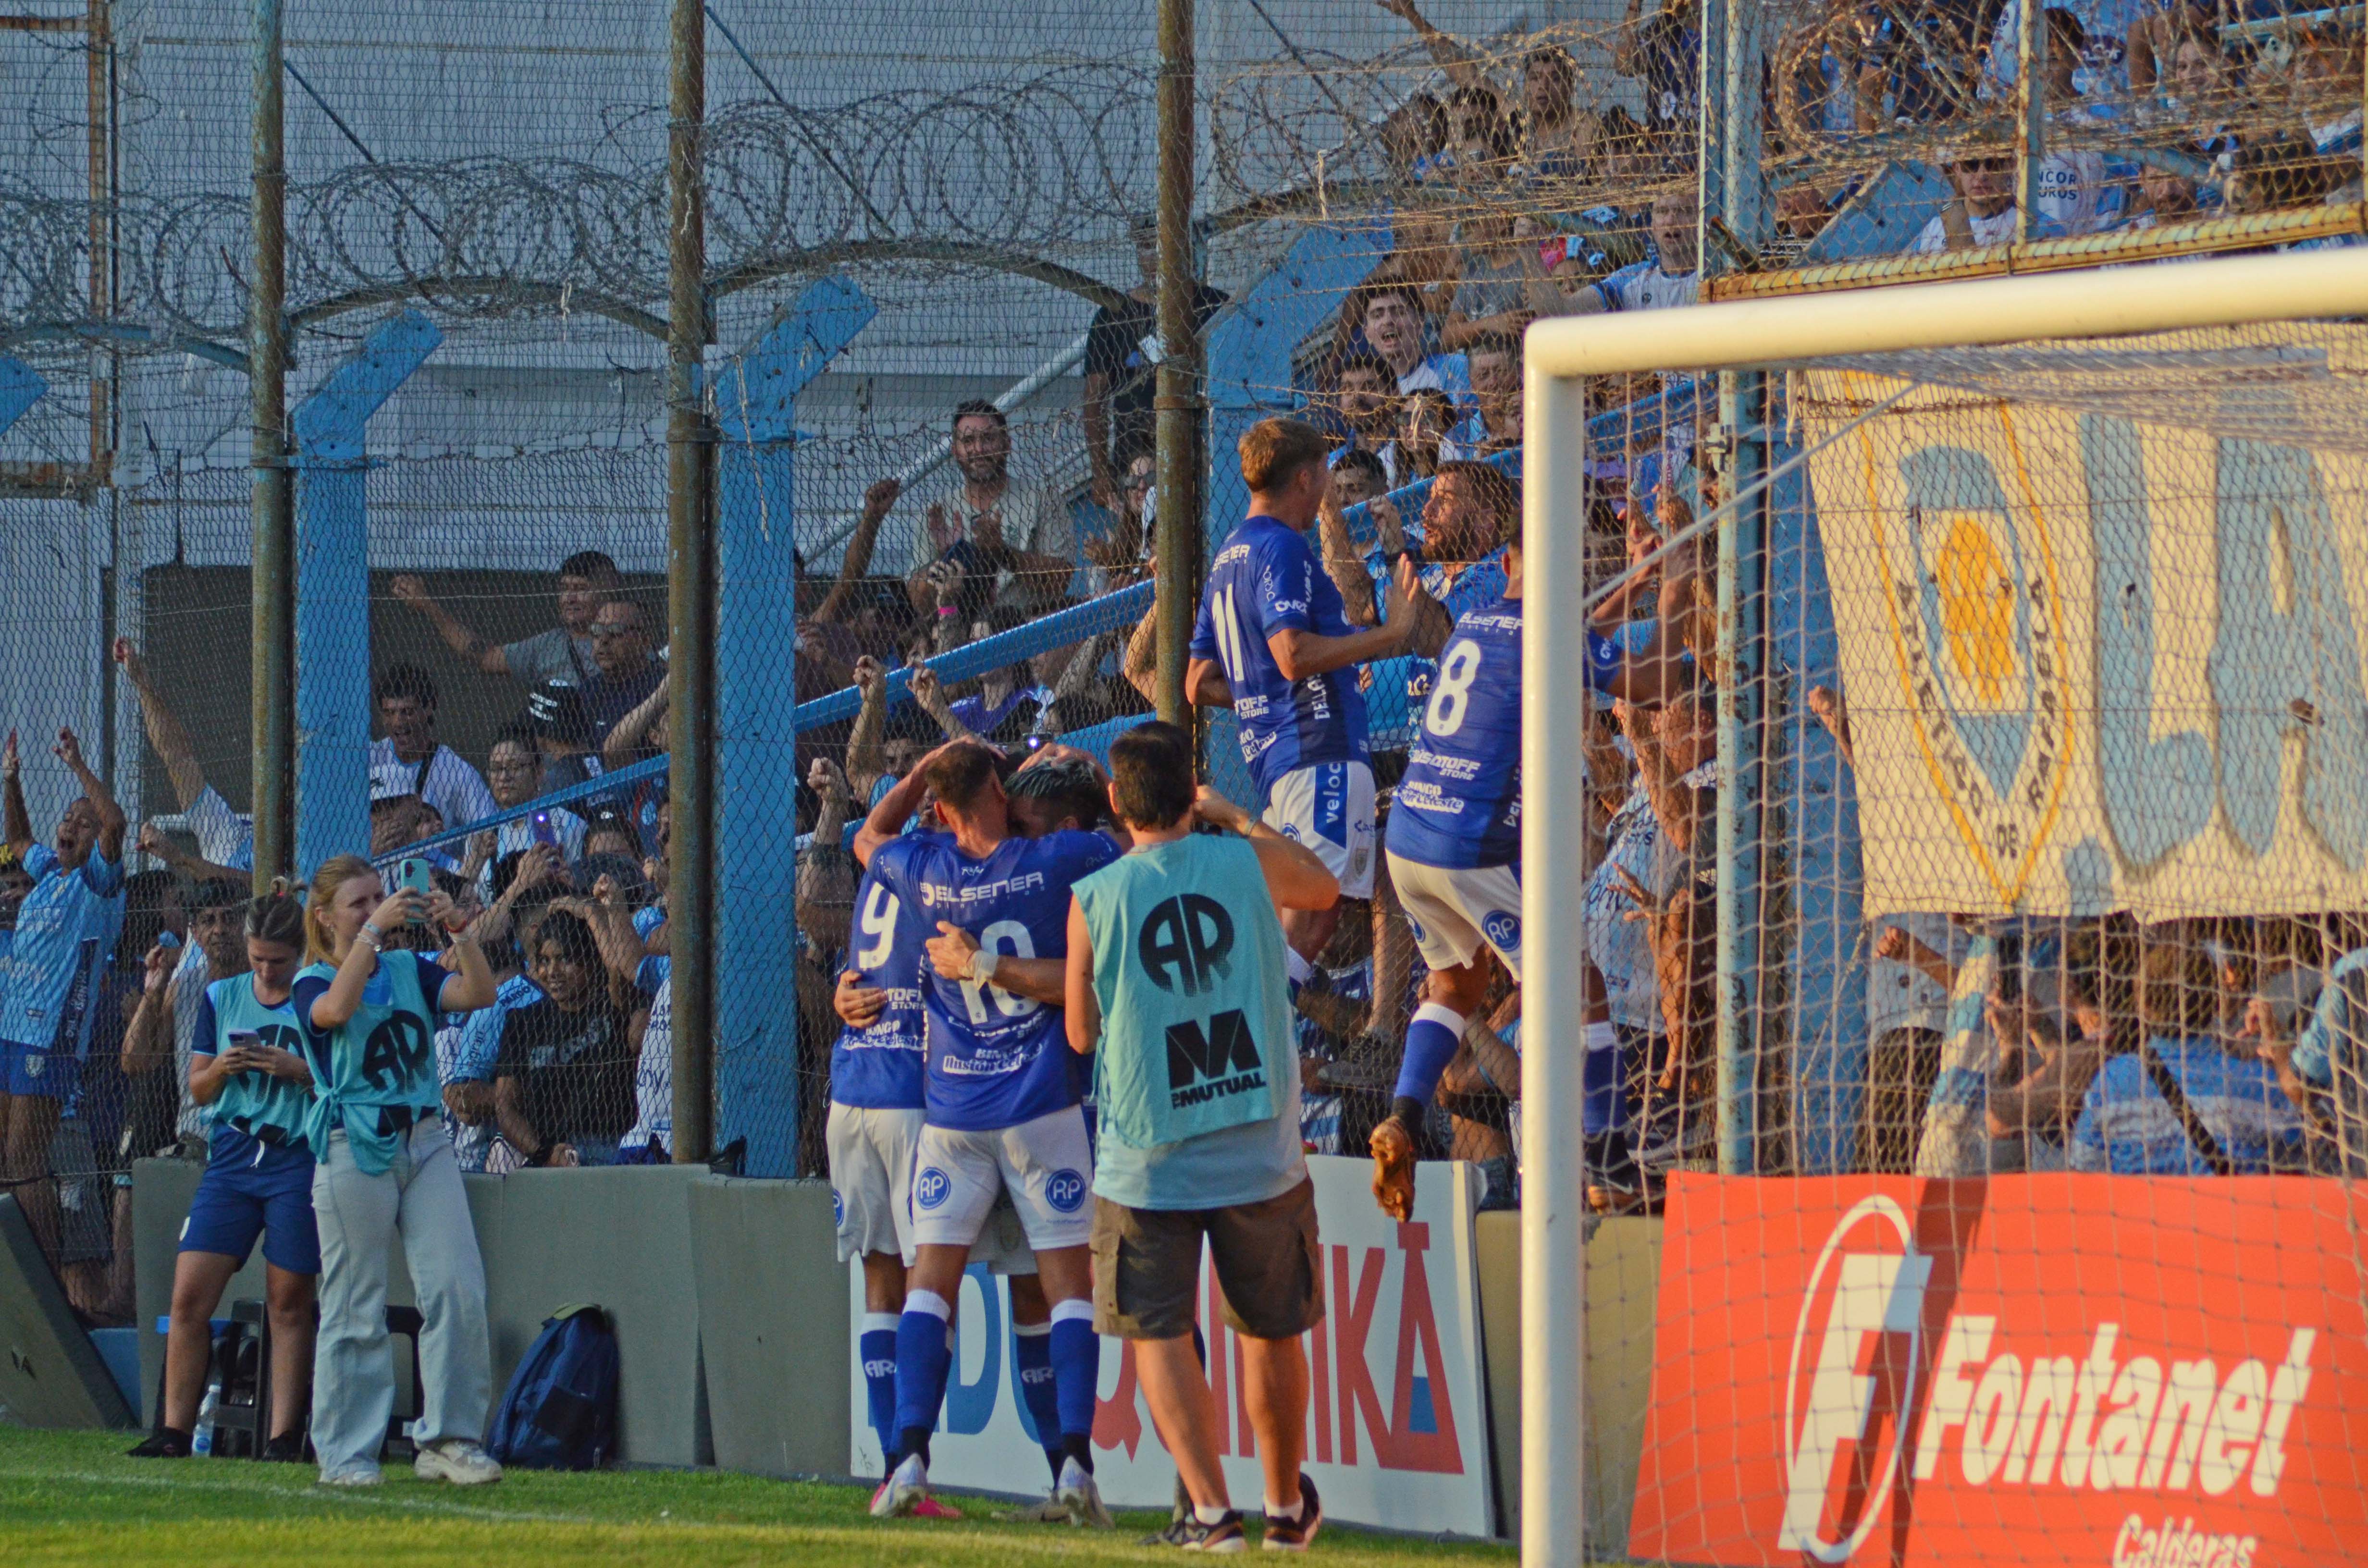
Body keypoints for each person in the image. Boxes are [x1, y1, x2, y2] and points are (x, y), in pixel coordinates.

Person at [1369, 482, 1693, 1219]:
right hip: (1472, 843)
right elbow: (1654, 682)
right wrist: (1675, 587)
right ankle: (1607, 1158)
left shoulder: (1479, 618)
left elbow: (1563, 647)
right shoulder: (1553, 636)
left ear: (1509, 560)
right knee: (1581, 985)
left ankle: (1406, 1117)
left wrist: (1636, 584)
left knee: (1456, 985)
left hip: (1409, 838)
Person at [1063, 723, 1337, 1549]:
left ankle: (1213, 1513)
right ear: (1193, 791)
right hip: (1257, 1142)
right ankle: (1284, 1507)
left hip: (1148, 1153)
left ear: (1117, 801)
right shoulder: (1244, 860)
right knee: (1268, 1328)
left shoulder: (1094, 896)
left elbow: (1079, 1033)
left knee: (1157, 1329)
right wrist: (1239, 816)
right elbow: (1323, 886)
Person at [855, 741, 1120, 1524]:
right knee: (1068, 1287)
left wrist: (916, 777)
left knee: (929, 1286)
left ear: (939, 808)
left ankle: (908, 1459)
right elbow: (1135, 830)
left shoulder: (923, 866)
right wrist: (1091, 770)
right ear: (1002, 789)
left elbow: (867, 837)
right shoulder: (1061, 856)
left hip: (954, 1113)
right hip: (1042, 1104)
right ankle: (1075, 1470)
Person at [293, 854, 499, 1487]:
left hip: (425, 1138)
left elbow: (480, 994)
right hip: (353, 1143)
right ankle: (346, 1453)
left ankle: (449, 1439)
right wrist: (372, 932)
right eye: (358, 902)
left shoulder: (408, 967)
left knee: (457, 1287)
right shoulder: (311, 980)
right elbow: (335, 1011)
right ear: (324, 917)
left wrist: (459, 930)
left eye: (378, 896)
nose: (376, 907)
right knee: (356, 1301)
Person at [1189, 417, 1419, 980]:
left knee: (1293, 916)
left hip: (1276, 761)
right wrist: (1391, 633)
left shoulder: (1227, 558)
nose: (1325, 489)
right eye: (1323, 474)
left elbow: (1196, 682)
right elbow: (1291, 654)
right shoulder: (1282, 547)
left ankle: (1263, 1018)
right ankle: (1261, 1025)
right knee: (1314, 914)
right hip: (1319, 750)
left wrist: (1265, 696)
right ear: (1303, 479)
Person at [127, 890, 316, 1460]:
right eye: (258, 959)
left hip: (295, 1155)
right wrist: (224, 1069)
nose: (267, 971)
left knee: (288, 1300)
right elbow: (199, 1086)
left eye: (278, 961)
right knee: (189, 1296)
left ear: (299, 953)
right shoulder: (222, 995)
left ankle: (283, 1437)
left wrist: (297, 1070)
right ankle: (173, 1433)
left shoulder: (318, 997)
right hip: (233, 1154)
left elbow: (339, 1081)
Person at [0, 727, 127, 1273]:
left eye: (83, 823)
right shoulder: (51, 872)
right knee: (6, 1161)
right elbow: (19, 839)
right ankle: (16, 1275)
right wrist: (12, 780)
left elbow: (116, 822)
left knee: (25, 1161)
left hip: (50, 1034)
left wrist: (76, 764)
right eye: (68, 819)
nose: (71, 826)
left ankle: (44, 1284)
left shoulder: (98, 883)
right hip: (10, 1029)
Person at [1083, 219, 1227, 509]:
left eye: (1165, 245)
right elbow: (1094, 400)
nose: (1157, 256)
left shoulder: (1214, 307)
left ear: (1185, 250)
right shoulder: (1113, 316)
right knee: (1138, 534)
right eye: (1147, 246)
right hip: (1135, 467)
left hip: (1203, 459)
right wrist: (1100, 473)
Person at [905, 402, 1080, 620]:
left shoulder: (1042, 498)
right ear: (955, 451)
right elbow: (920, 603)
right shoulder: (938, 514)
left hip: (1027, 628)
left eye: (988, 438)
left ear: (1007, 444)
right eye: (968, 441)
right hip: (958, 631)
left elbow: (1060, 581)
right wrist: (947, 556)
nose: (979, 449)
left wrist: (1003, 554)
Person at [490, 909, 637, 1167]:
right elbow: (506, 1107)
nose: (553, 972)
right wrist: (544, 1154)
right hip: (550, 1150)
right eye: (544, 961)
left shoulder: (614, 1008)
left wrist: (590, 913)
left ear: (590, 961)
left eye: (565, 959)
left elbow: (617, 968)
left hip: (612, 1148)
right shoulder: (524, 1022)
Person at [113, 638, 253, 879]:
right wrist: (143, 685)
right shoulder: (229, 836)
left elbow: (255, 886)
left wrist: (179, 858)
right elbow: (176, 756)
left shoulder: (303, 844)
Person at [388, 551, 619, 688]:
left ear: (607, 591)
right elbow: (485, 656)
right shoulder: (547, 645)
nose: (569, 598)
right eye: (565, 589)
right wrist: (428, 605)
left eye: (581, 589)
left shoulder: (628, 640)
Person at [368, 665, 496, 842]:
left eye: (408, 712)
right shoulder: (371, 756)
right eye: (389, 713)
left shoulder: (456, 771)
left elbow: (489, 828)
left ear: (429, 707)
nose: (398, 722)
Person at [463, 729, 587, 897]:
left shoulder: (567, 824)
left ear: (539, 772)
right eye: (496, 769)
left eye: (514, 767)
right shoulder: (481, 834)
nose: (504, 777)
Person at [1351, 282, 1472, 410]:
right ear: (1367, 334)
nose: (1388, 321)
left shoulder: (1453, 368)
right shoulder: (1368, 390)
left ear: (1420, 324)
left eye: (1399, 312)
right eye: (1377, 316)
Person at [579, 599, 667, 751]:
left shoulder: (662, 686)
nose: (604, 640)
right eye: (597, 631)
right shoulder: (588, 689)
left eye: (616, 631)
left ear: (644, 641)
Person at [1328, 354, 1402, 487]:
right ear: (1339, 401)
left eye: (1369, 388)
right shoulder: (1332, 462)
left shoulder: (1409, 451)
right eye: (1347, 389)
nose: (1357, 397)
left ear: (1394, 396)